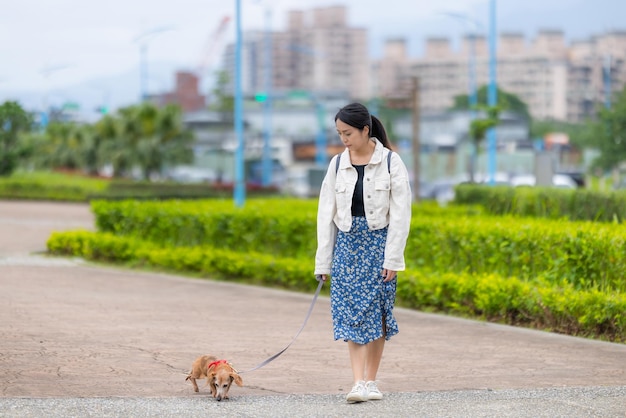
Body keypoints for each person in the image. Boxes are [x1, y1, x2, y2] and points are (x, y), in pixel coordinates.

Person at [314, 102, 412, 403]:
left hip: (379, 247)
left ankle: (371, 381)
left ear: (365, 130)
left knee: (378, 314)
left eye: (348, 133)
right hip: (346, 247)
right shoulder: (336, 165)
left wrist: (393, 258)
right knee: (351, 315)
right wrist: (323, 261)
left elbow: (401, 213)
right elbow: (324, 214)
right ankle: (357, 383)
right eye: (339, 133)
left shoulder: (392, 162)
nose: (344, 139)